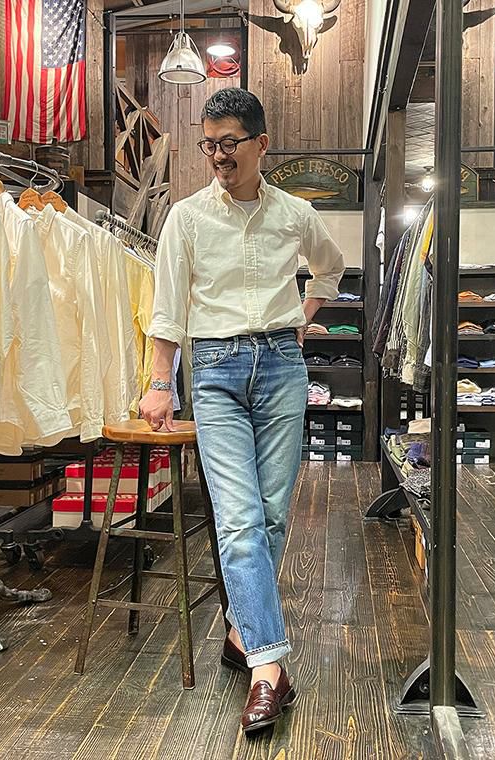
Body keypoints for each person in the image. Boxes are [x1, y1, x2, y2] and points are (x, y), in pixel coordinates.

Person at [140, 87, 345, 733]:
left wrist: (303, 317)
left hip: (282, 366)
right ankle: (268, 668)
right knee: (237, 520)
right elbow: (168, 307)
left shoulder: (295, 214)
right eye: (209, 145)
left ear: (261, 144)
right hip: (216, 371)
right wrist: (160, 383)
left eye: (230, 143)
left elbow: (331, 268)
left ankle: (239, 632)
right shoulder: (186, 217)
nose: (219, 156)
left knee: (272, 516)